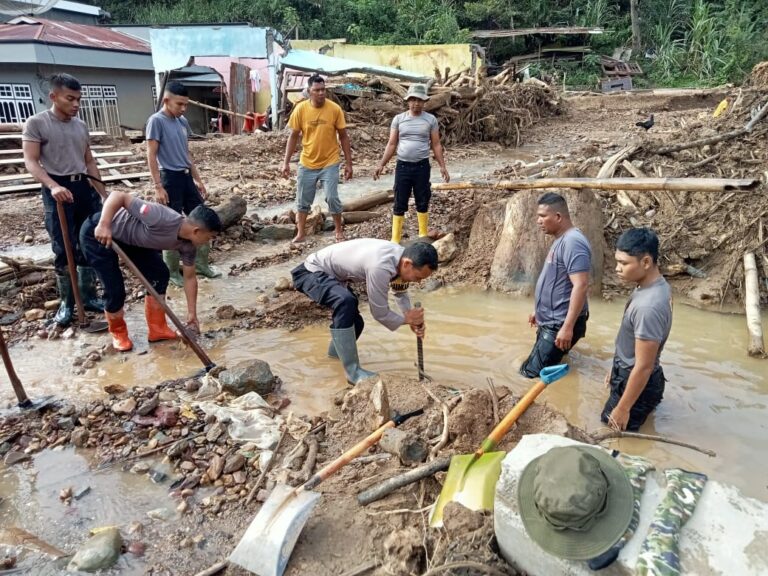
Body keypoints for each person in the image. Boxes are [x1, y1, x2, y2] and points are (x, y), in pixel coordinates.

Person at [80, 190, 222, 352]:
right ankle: (119, 333)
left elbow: (190, 278)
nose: (208, 242)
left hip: (133, 240)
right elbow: (118, 196)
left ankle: (158, 329)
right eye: (209, 238)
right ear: (197, 231)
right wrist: (104, 225)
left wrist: (192, 315)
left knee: (159, 274)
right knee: (114, 289)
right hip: (99, 233)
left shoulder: (188, 246)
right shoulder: (160, 216)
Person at [22, 73, 106, 327]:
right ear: (53, 96)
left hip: (83, 188)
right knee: (63, 246)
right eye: (70, 98)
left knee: (87, 241)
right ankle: (67, 304)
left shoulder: (80, 125)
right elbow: (31, 162)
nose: (76, 104)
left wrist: (102, 192)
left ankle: (89, 296)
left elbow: (89, 160)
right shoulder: (37, 123)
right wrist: (53, 185)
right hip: (57, 190)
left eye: (78, 99)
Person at [291, 240, 437, 384]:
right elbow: (379, 313)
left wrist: (411, 317)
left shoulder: (401, 258)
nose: (418, 282)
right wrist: (406, 319)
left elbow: (399, 292)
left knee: (356, 324)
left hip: (332, 277)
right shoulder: (380, 266)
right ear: (407, 264)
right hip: (309, 273)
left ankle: (333, 358)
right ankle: (353, 372)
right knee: (345, 301)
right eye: (418, 278)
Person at [146, 81, 221, 287]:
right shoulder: (156, 121)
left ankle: (201, 265)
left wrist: (198, 179)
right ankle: (171, 272)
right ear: (166, 100)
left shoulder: (181, 122)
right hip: (169, 177)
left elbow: (186, 153)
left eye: (186, 104)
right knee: (171, 224)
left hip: (186, 176)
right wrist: (157, 185)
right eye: (179, 104)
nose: (183, 108)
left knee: (201, 218)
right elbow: (151, 154)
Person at [601, 228, 672, 431]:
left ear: (646, 262)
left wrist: (623, 408)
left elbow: (643, 367)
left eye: (624, 263)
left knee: (612, 435)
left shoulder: (648, 307)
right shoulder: (655, 286)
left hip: (638, 382)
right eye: (617, 262)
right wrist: (615, 368)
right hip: (634, 376)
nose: (617, 268)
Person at [520, 192, 591, 378]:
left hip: (559, 323)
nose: (538, 221)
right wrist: (539, 310)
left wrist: (567, 327)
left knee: (530, 375)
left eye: (543, 216)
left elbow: (581, 285)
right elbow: (557, 281)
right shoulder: (562, 240)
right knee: (546, 369)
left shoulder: (573, 242)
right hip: (552, 320)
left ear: (558, 217)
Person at [373, 84, 449, 243]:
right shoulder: (399, 119)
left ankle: (422, 235)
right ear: (408, 101)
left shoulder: (430, 119)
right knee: (400, 200)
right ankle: (395, 239)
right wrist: (381, 164)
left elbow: (436, 144)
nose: (416, 103)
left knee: (423, 198)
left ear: (424, 101)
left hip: (422, 166)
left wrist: (442, 166)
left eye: (420, 100)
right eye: (413, 100)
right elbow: (392, 144)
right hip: (403, 166)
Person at [281, 74, 353, 244]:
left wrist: (349, 164)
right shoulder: (300, 109)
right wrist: (285, 162)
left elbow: (344, 136)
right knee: (302, 200)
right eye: (317, 90)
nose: (321, 93)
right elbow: (293, 137)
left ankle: (338, 230)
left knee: (332, 197)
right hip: (307, 162)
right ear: (309, 91)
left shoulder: (334, 109)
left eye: (323, 90)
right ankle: (300, 233)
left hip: (330, 161)